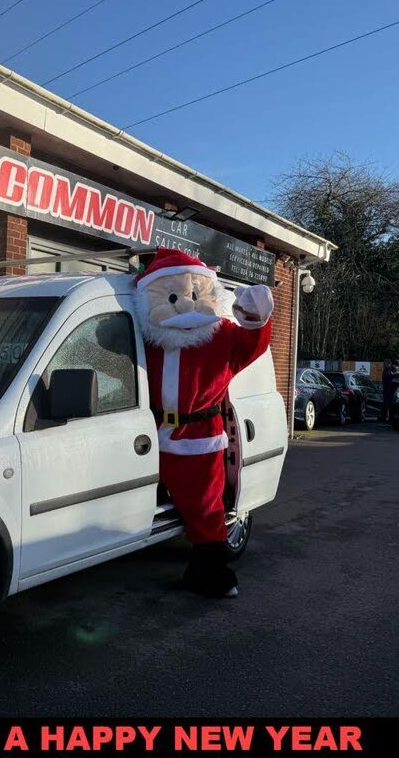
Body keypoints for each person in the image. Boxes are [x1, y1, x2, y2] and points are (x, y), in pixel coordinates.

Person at [133, 249, 273, 598]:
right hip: (149, 434)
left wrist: (256, 317)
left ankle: (211, 570)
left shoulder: (221, 334)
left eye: (194, 295)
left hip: (199, 436)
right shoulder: (147, 338)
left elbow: (252, 344)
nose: (183, 305)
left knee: (205, 507)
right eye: (172, 297)